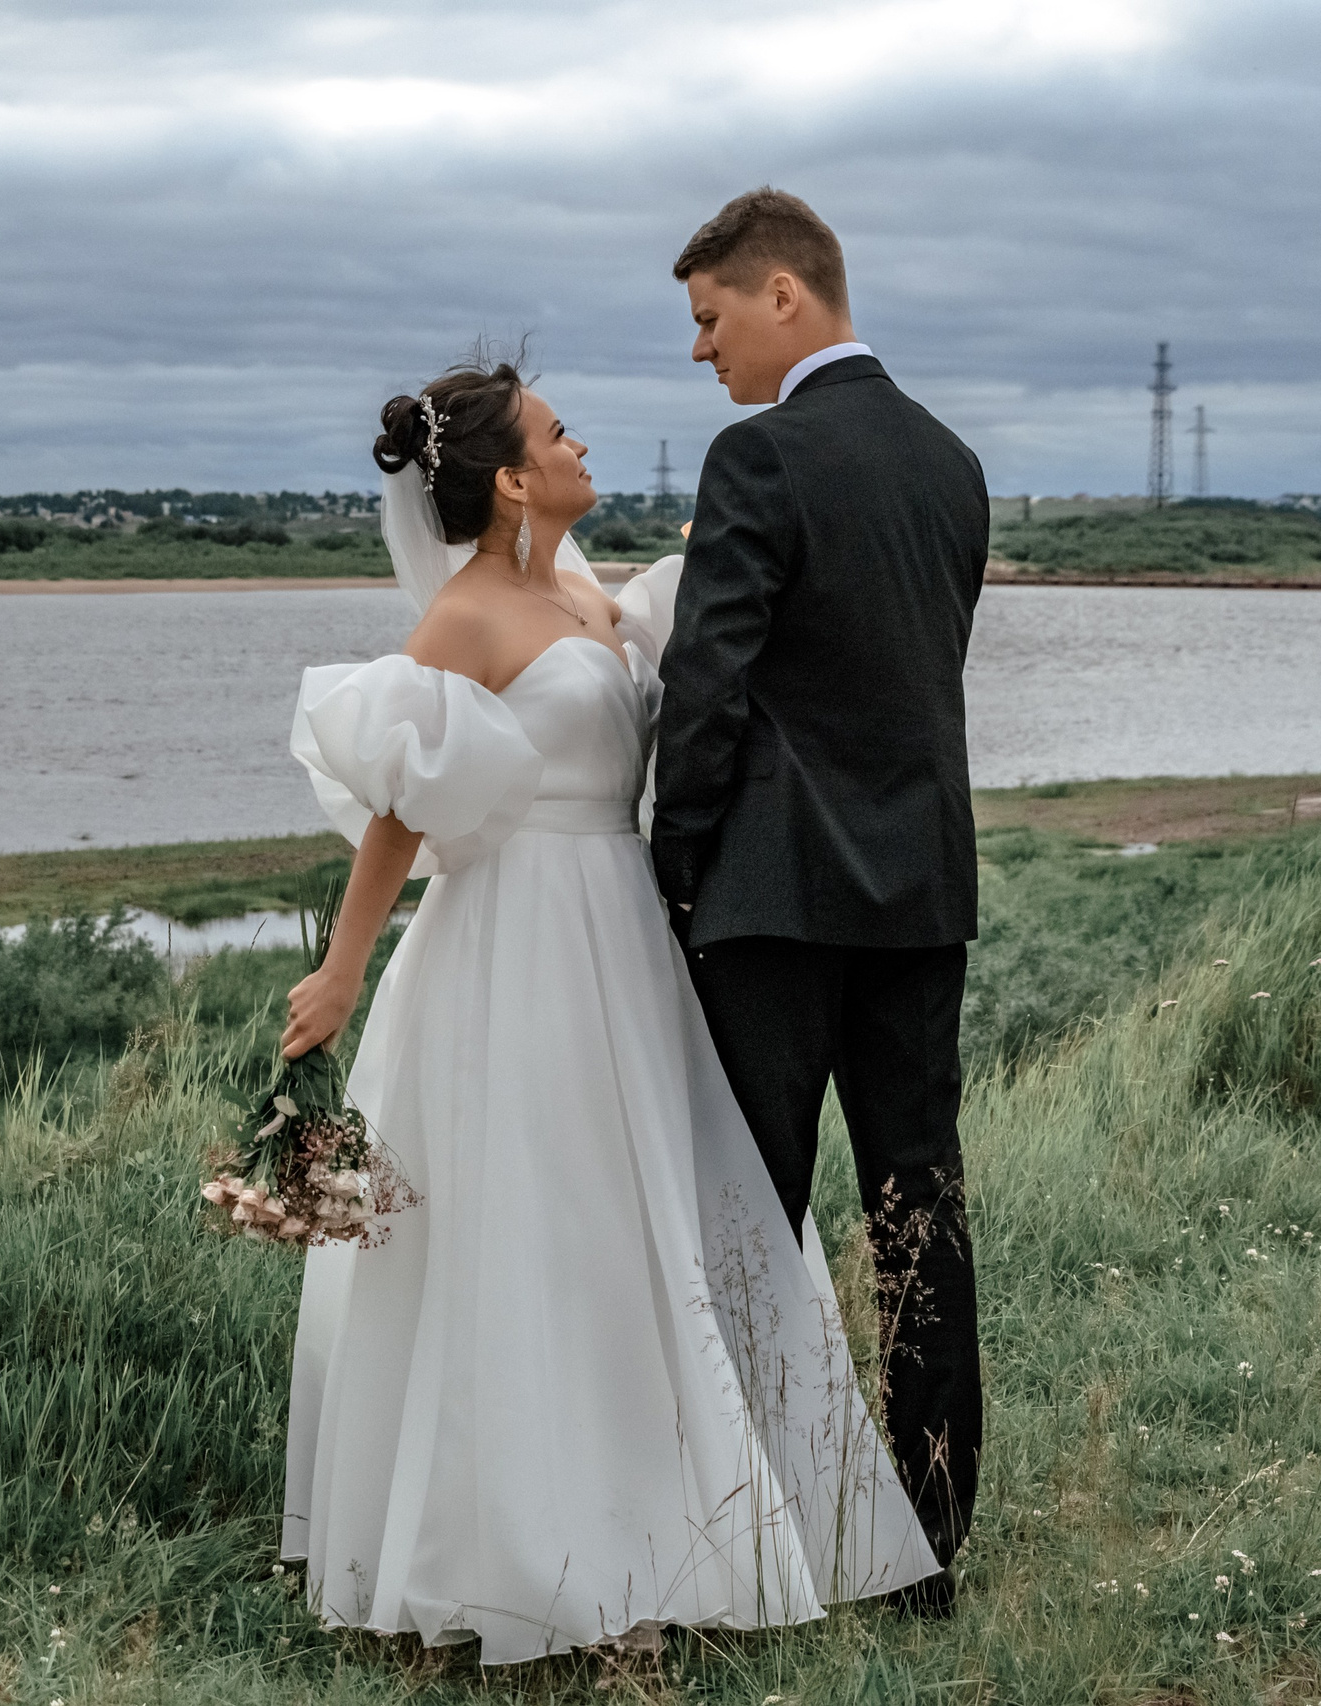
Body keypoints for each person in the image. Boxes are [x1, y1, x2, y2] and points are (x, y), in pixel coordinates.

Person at [274, 350, 939, 1665]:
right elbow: (403, 808)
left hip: (626, 939)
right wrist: (342, 970)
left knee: (648, 1230)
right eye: (560, 434)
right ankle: (532, 1559)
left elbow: (678, 665)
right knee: (535, 1231)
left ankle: (677, 1520)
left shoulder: (581, 588)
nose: (584, 446)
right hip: (513, 945)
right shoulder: (465, 616)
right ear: (513, 479)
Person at [653, 187, 991, 1616]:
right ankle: (925, 1543)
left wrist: (676, 873)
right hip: (919, 894)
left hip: (774, 909)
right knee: (918, 1206)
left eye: (709, 319)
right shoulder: (951, 462)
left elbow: (708, 687)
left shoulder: (760, 458)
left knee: (755, 1219)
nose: (702, 353)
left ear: (785, 295)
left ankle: (756, 1532)